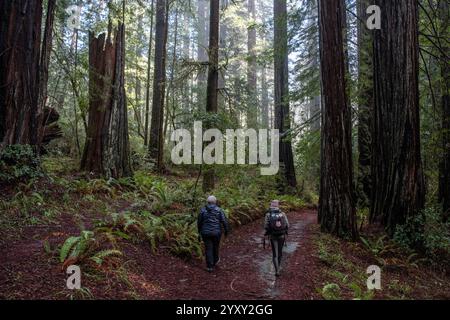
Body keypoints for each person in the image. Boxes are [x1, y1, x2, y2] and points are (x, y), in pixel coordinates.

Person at [197, 195, 230, 273]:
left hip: (205, 233)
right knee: (215, 246)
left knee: (208, 248)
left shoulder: (202, 210)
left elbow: (199, 222)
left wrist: (199, 231)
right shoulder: (219, 210)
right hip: (216, 232)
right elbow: (224, 221)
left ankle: (209, 267)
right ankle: (215, 261)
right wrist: (226, 231)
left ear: (207, 202)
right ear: (215, 202)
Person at [264, 200, 289, 277]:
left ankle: (277, 270)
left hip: (273, 236)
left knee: (275, 253)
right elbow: (288, 225)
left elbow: (265, 226)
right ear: (278, 206)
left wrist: (267, 233)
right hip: (281, 235)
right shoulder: (283, 214)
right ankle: (279, 267)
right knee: (280, 252)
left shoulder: (268, 214)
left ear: (271, 206)